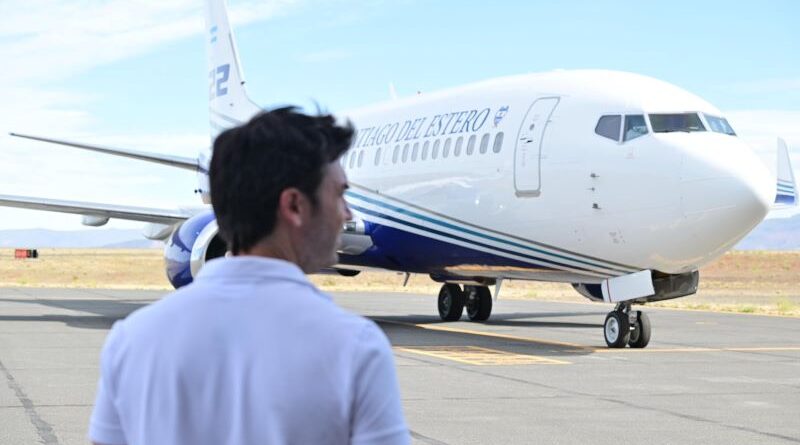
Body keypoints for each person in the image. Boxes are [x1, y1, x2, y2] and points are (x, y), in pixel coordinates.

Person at [88, 107, 410, 445]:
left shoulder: (131, 340)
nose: (347, 213)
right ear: (294, 206)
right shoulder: (355, 348)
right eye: (339, 195)